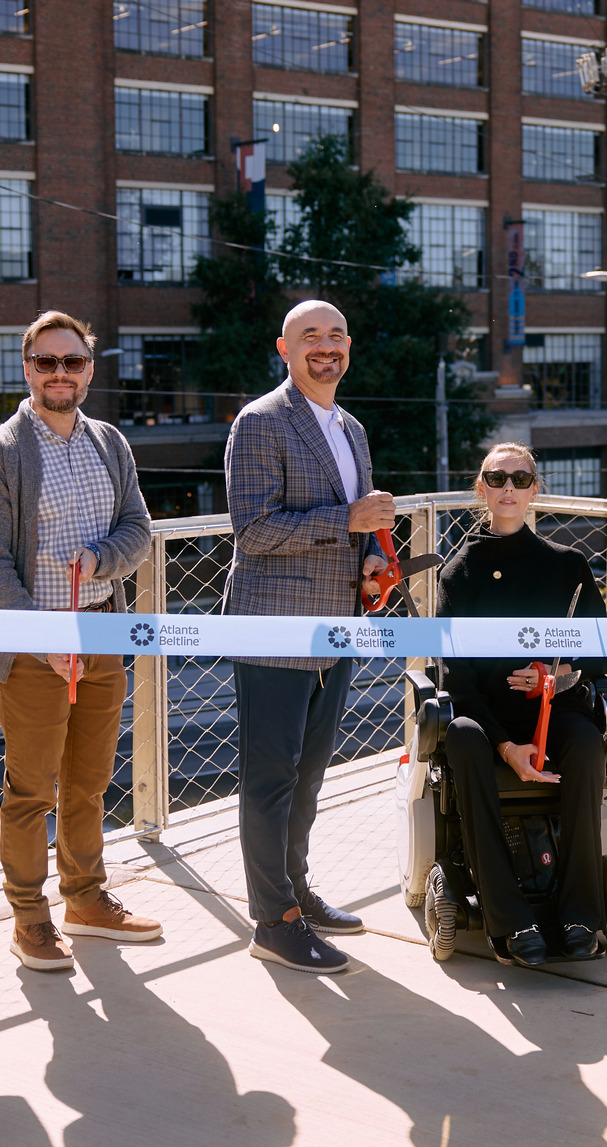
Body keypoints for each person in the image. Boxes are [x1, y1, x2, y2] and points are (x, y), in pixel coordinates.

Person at [0, 310, 162, 973]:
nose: (59, 373)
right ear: (27, 369)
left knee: (89, 783)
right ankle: (29, 919)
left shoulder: (110, 442)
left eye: (71, 361)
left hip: (100, 629)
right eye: (46, 362)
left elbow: (138, 528)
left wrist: (102, 558)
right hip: (30, 647)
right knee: (31, 791)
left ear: (88, 370)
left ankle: (85, 899)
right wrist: (42, 636)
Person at [224, 299, 392, 975]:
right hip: (274, 628)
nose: (326, 346)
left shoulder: (351, 427)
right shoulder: (261, 421)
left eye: (336, 336)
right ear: (285, 349)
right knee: (270, 781)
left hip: (337, 628)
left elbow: (358, 525)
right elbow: (253, 531)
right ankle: (273, 922)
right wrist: (346, 521)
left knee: (310, 777)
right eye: (310, 336)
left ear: (349, 346)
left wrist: (371, 558)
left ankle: (295, 894)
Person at [437, 443, 607, 967]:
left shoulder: (568, 565)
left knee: (585, 740)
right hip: (487, 719)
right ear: (482, 489)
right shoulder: (458, 572)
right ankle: (510, 918)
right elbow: (455, 677)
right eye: (497, 478)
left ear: (535, 489)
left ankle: (580, 913)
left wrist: (557, 676)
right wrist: (505, 746)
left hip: (553, 711)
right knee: (462, 738)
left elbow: (601, 654)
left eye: (520, 478)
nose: (508, 488)